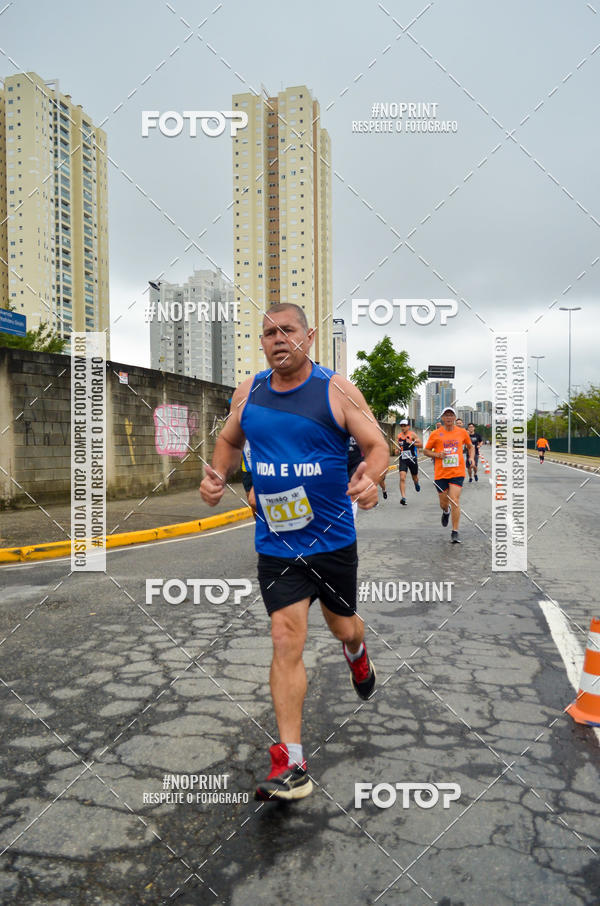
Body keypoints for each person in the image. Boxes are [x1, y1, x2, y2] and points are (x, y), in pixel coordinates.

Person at [199, 303, 389, 801]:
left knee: (342, 624)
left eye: (288, 330)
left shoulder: (337, 389)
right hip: (277, 544)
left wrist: (371, 480)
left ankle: (357, 653)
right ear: (261, 342)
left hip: (332, 542)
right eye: (269, 332)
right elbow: (228, 439)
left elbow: (377, 445)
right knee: (285, 637)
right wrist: (217, 475)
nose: (278, 339)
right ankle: (292, 764)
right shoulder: (250, 391)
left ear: (309, 336)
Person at [423, 406, 473, 544]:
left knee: (454, 500)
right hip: (441, 473)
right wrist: (437, 454)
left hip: (457, 472)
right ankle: (445, 512)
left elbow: (470, 446)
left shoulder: (462, 432)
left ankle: (455, 531)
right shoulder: (435, 434)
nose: (449, 417)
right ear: (442, 418)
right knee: (444, 503)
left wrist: (472, 458)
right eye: (446, 415)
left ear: (455, 418)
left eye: (451, 415)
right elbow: (426, 451)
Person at [396, 419, 422, 505]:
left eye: (404, 425)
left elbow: (421, 445)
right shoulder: (399, 435)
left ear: (408, 426)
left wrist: (412, 442)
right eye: (401, 426)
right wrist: (397, 450)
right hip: (403, 459)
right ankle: (403, 497)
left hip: (412, 458)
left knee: (414, 477)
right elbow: (398, 446)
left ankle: (416, 483)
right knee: (402, 477)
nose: (403, 427)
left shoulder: (412, 434)